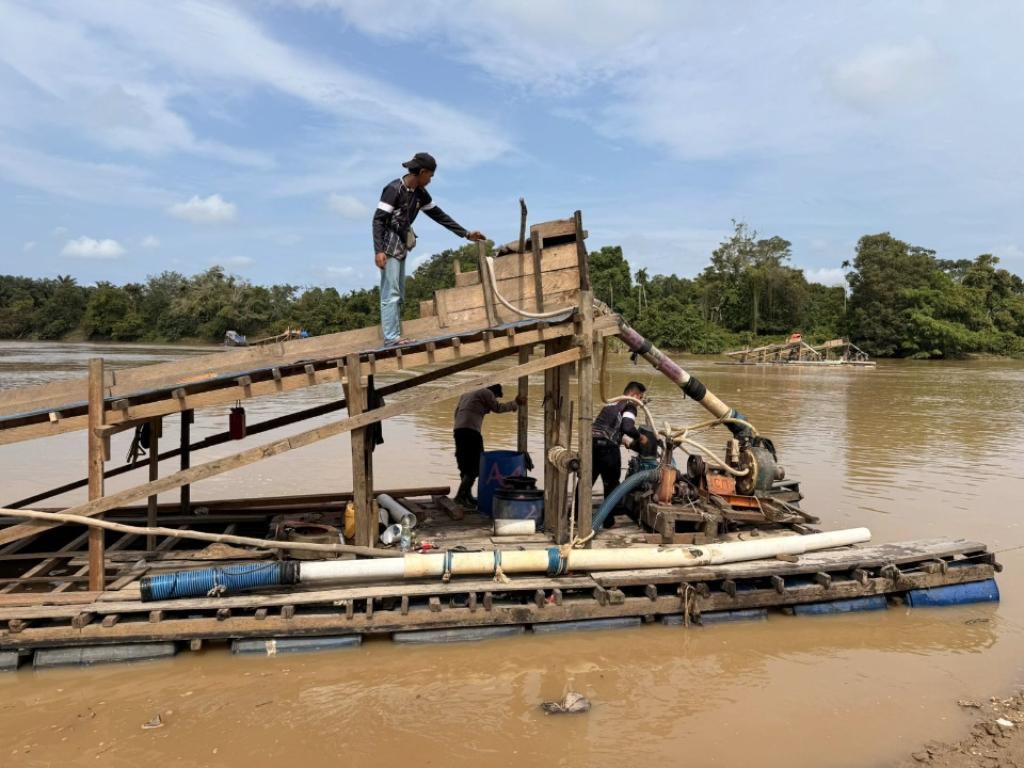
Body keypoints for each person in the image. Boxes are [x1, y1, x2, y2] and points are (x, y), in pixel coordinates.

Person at [372, 152, 486, 345]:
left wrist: (466, 234)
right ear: (422, 172)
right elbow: (378, 220)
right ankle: (391, 338)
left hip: (401, 247)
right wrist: (378, 250)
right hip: (389, 247)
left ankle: (395, 336)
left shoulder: (420, 194)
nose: (430, 180)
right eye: (430, 176)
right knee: (390, 293)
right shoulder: (394, 189)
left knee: (399, 294)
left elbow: (439, 215)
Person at [452, 384, 527, 508]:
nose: (495, 399)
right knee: (475, 465)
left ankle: (467, 496)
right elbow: (497, 408)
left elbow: (456, 412)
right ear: (494, 393)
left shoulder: (467, 393)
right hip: (471, 432)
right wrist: (516, 403)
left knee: (464, 465)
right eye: (496, 397)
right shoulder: (486, 393)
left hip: (459, 431)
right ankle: (460, 496)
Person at [591, 381, 648, 528]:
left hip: (592, 444)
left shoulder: (612, 403)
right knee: (611, 484)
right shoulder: (630, 406)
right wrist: (640, 437)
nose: (640, 402)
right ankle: (607, 521)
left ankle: (577, 515)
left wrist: (624, 440)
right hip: (608, 449)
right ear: (634, 395)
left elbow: (606, 427)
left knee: (587, 480)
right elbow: (627, 426)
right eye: (640, 398)